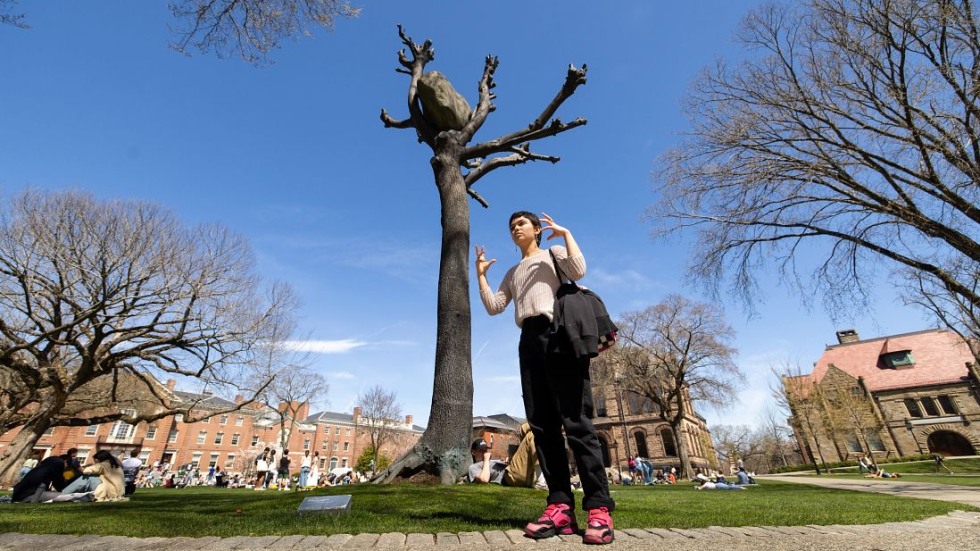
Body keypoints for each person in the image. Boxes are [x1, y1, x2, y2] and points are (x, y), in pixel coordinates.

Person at [477, 211, 615, 545]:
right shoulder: (512, 272)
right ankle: (560, 507)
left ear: (537, 230)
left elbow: (578, 270)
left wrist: (566, 233)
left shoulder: (550, 255)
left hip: (559, 334)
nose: (515, 228)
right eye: (511, 226)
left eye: (521, 223)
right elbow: (495, 306)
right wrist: (480, 275)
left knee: (577, 423)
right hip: (529, 341)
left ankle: (598, 508)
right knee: (543, 427)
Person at [467, 424, 543, 488]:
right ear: (473, 452)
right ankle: (541, 482)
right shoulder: (473, 467)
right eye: (481, 451)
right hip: (509, 478)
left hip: (525, 474)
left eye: (485, 450)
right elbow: (484, 479)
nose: (484, 453)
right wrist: (486, 460)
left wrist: (508, 460)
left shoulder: (493, 461)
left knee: (525, 428)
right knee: (531, 435)